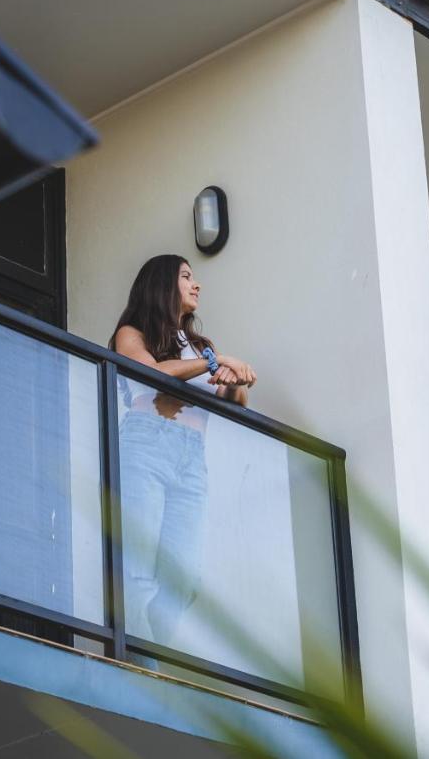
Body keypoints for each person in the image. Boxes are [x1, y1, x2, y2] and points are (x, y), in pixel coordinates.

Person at [109, 254, 256, 649]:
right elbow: (151, 373)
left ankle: (154, 652)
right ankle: (145, 671)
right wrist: (216, 361)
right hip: (147, 442)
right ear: (162, 284)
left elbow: (233, 398)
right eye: (187, 276)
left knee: (184, 578)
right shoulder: (133, 332)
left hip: (193, 457)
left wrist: (236, 377)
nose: (197, 284)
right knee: (137, 573)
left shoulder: (200, 346)